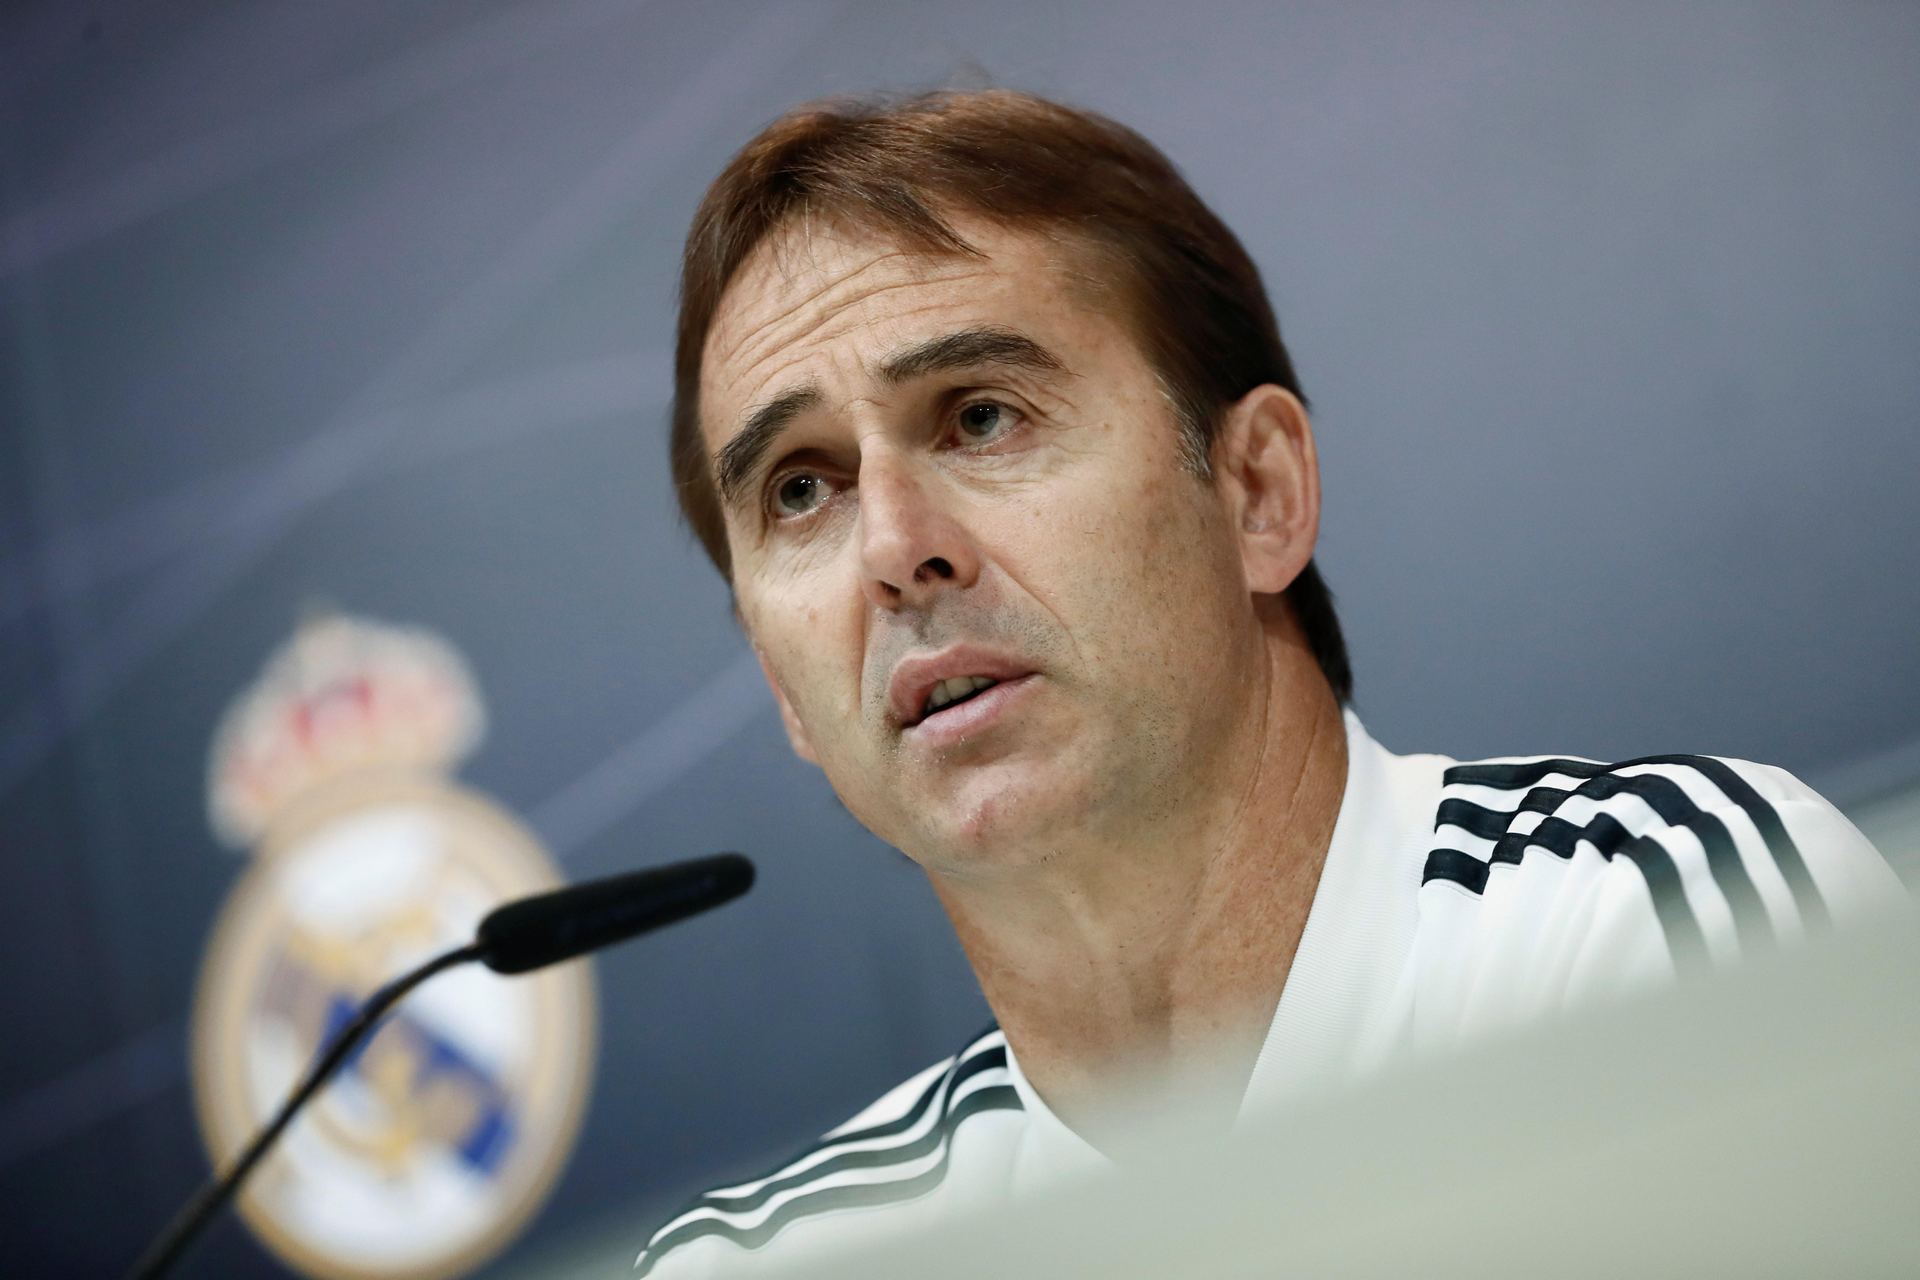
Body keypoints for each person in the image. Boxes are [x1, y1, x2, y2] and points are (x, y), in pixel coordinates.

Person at [633, 89, 1903, 1277]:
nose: (896, 548)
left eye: (981, 415)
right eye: (801, 488)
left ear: (1257, 491)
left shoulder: (1653, 922)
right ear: (782, 684)